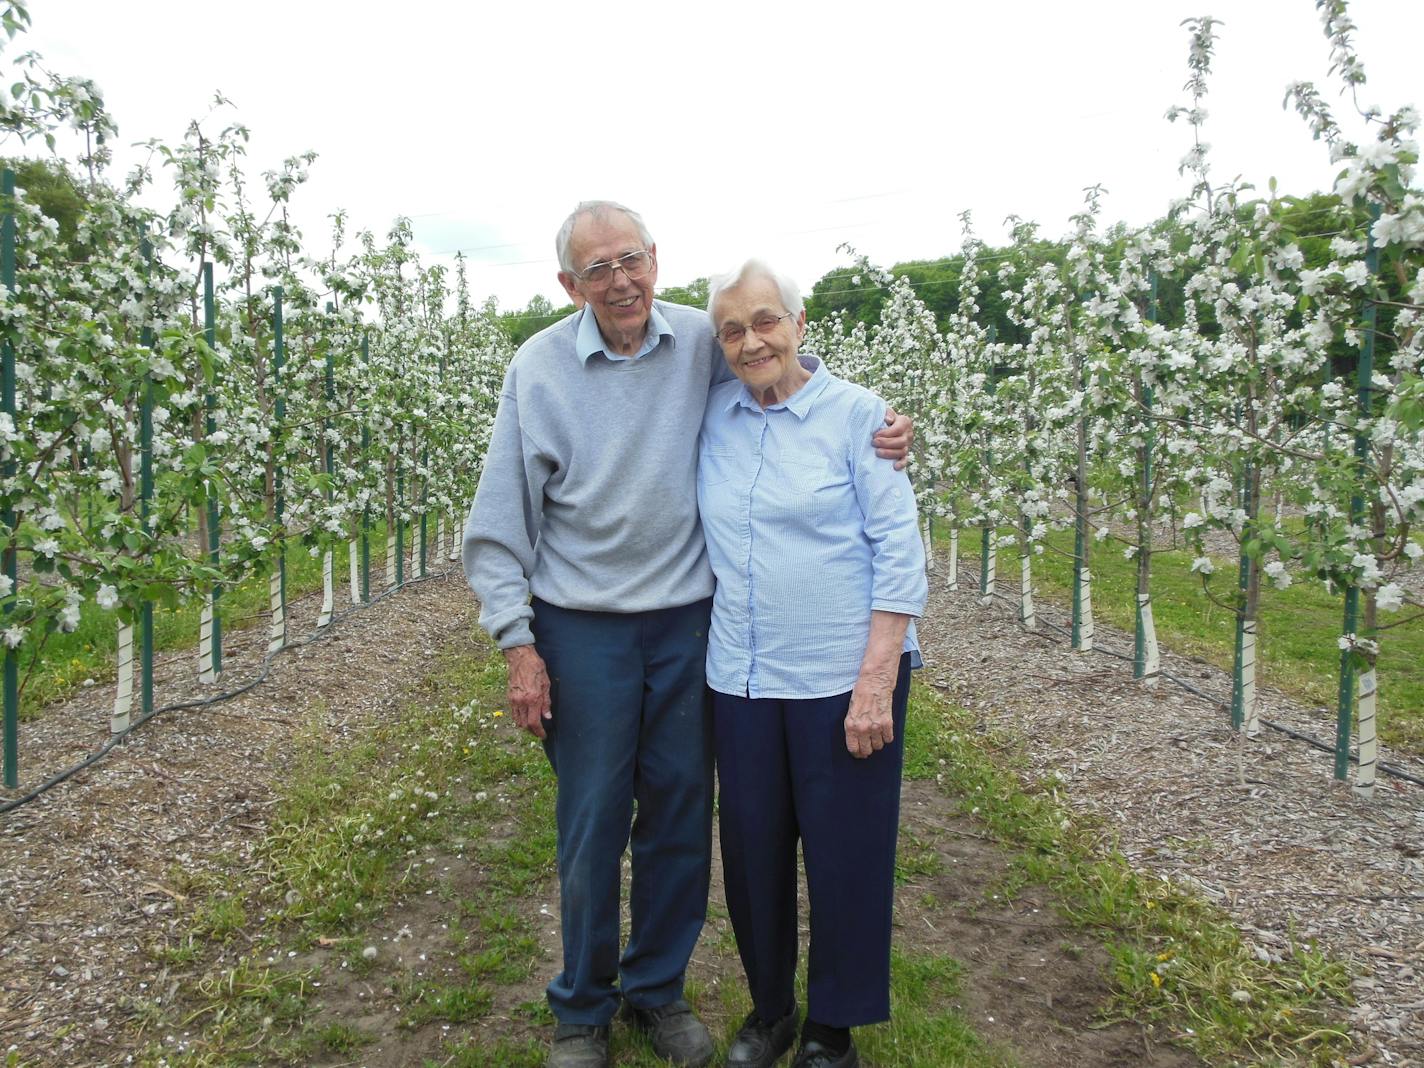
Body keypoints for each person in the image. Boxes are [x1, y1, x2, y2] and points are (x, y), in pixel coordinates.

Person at [462, 202, 911, 1068]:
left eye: (631, 259)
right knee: (593, 820)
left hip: (685, 623)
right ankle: (582, 1009)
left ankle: (656, 992)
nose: (621, 280)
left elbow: (778, 362)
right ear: (569, 286)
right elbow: (497, 523)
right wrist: (517, 643)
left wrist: (878, 427)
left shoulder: (698, 342)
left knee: (675, 815)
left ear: (656, 260)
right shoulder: (540, 370)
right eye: (598, 270)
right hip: (582, 625)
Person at [698, 260, 927, 1068]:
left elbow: (900, 550)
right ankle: (770, 1013)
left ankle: (835, 1025)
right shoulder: (713, 415)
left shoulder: (859, 417)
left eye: (765, 321)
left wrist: (877, 681)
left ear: (799, 324)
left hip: (843, 676)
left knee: (847, 854)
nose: (751, 340)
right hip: (743, 676)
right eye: (732, 329)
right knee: (753, 852)